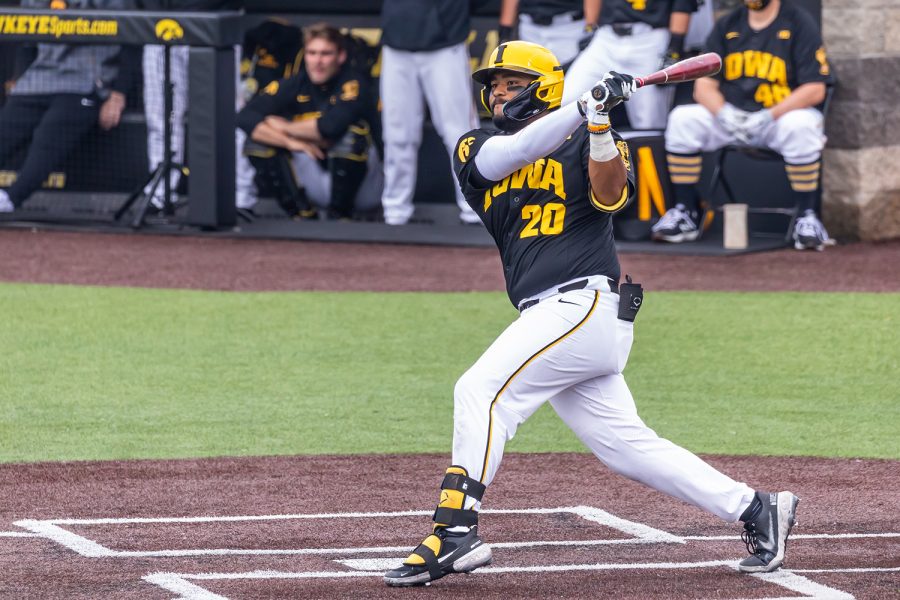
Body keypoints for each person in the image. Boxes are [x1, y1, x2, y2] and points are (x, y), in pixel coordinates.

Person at [382, 40, 799, 587]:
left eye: (512, 82)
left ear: (543, 85)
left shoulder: (591, 136)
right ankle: (756, 508)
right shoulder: (474, 145)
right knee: (626, 446)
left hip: (582, 304)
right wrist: (582, 106)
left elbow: (610, 196)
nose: (500, 92)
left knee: (479, 391)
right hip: (555, 316)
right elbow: (508, 157)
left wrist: (599, 124)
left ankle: (455, 530)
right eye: (495, 84)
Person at [654, 0, 833, 250]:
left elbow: (815, 88)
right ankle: (686, 211)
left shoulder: (798, 22)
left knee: (802, 125)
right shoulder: (728, 24)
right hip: (733, 119)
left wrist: (770, 115)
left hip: (777, 120)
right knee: (683, 119)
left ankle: (808, 216)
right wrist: (724, 112)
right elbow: (703, 85)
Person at [0, 0, 140, 214]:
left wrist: (118, 95)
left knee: (47, 137)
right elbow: (26, 40)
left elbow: (134, 41)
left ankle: (10, 199)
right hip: (39, 79)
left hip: (87, 82)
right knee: (5, 132)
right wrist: (18, 77)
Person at [236, 23, 382, 220]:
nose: (318, 61)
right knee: (257, 141)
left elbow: (329, 128)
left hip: (365, 190)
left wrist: (284, 126)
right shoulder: (297, 82)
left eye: (325, 54)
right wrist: (291, 142)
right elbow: (245, 117)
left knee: (351, 137)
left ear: (341, 56)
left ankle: (341, 215)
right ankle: (301, 214)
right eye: (312, 53)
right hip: (315, 175)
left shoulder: (354, 83)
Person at [138, 0, 254, 213]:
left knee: (228, 117)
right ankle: (160, 194)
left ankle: (240, 197)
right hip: (160, 27)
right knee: (163, 117)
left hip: (214, 28)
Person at [379, 0, 483, 225]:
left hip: (445, 44)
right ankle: (395, 211)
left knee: (460, 133)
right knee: (397, 133)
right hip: (396, 41)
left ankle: (474, 210)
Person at [561, 0, 700, 130]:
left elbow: (682, 5)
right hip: (605, 37)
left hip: (649, 40)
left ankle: (650, 156)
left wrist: (674, 47)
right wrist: (590, 26)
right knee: (567, 101)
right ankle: (562, 154)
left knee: (649, 121)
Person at [498, 0, 600, 66]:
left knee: (570, 87)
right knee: (529, 81)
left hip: (568, 27)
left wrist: (590, 25)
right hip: (530, 25)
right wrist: (506, 28)